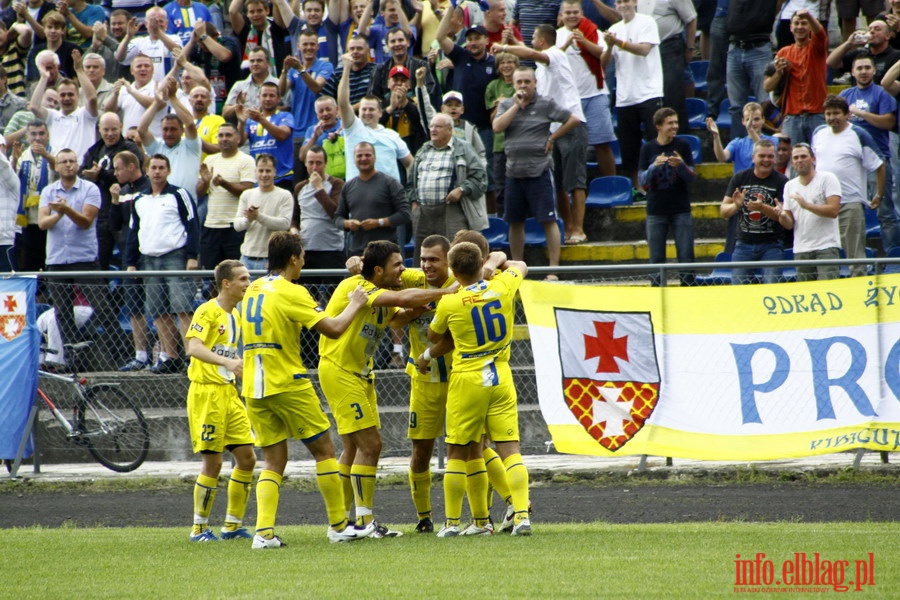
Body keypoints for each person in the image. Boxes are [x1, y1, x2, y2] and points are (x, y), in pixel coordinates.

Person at [240, 231, 375, 548]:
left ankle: (264, 533)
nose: (304, 262)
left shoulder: (254, 289)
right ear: (292, 258)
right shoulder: (292, 291)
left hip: (252, 386)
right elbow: (334, 328)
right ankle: (339, 525)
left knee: (273, 461)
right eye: (302, 256)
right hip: (286, 381)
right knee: (325, 451)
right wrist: (355, 302)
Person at [318, 239, 454, 539]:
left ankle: (340, 524)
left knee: (354, 448)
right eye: (397, 265)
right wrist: (445, 293)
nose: (403, 269)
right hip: (341, 371)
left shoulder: (381, 292)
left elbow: (396, 317)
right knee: (371, 446)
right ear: (378, 270)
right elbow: (403, 297)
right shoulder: (358, 287)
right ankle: (362, 523)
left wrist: (423, 307)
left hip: (360, 374)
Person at [419, 241, 531, 537]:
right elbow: (521, 265)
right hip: (501, 375)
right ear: (481, 263)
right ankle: (521, 515)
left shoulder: (451, 301)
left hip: (468, 377)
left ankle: (452, 523)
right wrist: (495, 265)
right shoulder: (503, 287)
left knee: (458, 450)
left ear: (453, 270)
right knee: (510, 450)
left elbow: (433, 334)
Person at [494, 24, 589, 245]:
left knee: (574, 181)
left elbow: (528, 53)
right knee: (557, 183)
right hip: (553, 128)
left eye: (533, 37)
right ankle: (569, 227)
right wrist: (512, 42)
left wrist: (502, 47)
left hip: (571, 125)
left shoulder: (554, 54)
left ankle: (580, 229)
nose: (530, 41)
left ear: (542, 41)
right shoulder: (541, 66)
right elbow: (527, 51)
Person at [184, 259, 256, 542]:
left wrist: (236, 365)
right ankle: (199, 529)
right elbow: (194, 347)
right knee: (212, 464)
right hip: (207, 394)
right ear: (226, 283)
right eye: (242, 279)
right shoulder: (207, 311)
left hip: (229, 393)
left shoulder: (235, 316)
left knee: (247, 458)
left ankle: (232, 525)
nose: (247, 284)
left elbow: (228, 354)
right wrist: (228, 361)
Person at [492, 66, 579, 278]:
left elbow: (573, 119)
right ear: (513, 84)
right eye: (519, 82)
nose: (523, 85)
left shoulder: (545, 103)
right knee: (514, 222)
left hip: (540, 171)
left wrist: (552, 138)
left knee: (548, 220)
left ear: (535, 83)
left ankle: (553, 269)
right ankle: (516, 268)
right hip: (513, 172)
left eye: (527, 82)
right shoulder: (506, 104)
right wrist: (516, 105)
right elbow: (497, 127)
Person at [38, 149, 117, 367]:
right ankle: (73, 360)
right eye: (63, 161)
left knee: (102, 307)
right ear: (57, 166)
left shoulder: (90, 188)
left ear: (77, 165)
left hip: (84, 257)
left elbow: (85, 222)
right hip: (56, 259)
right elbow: (43, 223)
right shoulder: (48, 191)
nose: (68, 165)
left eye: (72, 161)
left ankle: (120, 355)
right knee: (63, 312)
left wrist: (65, 209)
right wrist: (60, 213)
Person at [124, 154, 200, 374]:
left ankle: (192, 359)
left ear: (168, 171)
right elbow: (133, 232)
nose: (157, 171)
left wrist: (192, 256)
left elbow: (193, 225)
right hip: (148, 259)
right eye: (153, 167)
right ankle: (172, 357)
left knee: (183, 308)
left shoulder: (179, 194)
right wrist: (130, 262)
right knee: (158, 312)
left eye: (161, 168)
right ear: (147, 170)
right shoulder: (139, 200)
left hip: (175, 257)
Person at [811, 95, 884, 277]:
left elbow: (879, 164)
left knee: (854, 256)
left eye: (836, 113)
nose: (831, 117)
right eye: (828, 113)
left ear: (847, 115)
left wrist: (878, 194)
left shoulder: (858, 134)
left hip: (850, 202)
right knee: (827, 254)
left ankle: (859, 294)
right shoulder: (818, 133)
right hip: (823, 204)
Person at [407, 113, 487, 261]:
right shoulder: (423, 150)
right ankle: (421, 285)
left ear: (450, 130)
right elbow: (411, 182)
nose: (433, 129)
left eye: (438, 126)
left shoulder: (464, 148)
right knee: (422, 255)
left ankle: (457, 284)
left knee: (454, 253)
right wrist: (414, 202)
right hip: (423, 211)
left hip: (452, 209)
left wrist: (462, 189)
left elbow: (480, 177)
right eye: (431, 126)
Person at [601, 0, 663, 188]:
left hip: (649, 92)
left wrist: (617, 42)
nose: (622, 5)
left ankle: (660, 183)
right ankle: (638, 188)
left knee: (656, 142)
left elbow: (644, 50)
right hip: (624, 97)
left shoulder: (647, 22)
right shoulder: (614, 28)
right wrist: (610, 46)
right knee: (629, 148)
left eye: (626, 1)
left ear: (634, 2)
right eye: (618, 2)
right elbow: (604, 63)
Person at [557, 0, 617, 179]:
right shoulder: (556, 35)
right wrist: (568, 43)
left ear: (582, 13)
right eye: (568, 13)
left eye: (575, 12)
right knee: (569, 146)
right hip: (568, 100)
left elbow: (604, 58)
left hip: (595, 94)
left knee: (602, 143)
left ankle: (611, 184)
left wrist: (583, 41)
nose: (572, 16)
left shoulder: (593, 31)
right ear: (561, 16)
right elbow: (551, 59)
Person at [638, 107, 697, 287]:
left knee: (686, 256)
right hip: (656, 210)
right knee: (656, 258)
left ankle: (688, 293)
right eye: (670, 123)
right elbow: (641, 180)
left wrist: (681, 165)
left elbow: (692, 177)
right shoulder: (648, 148)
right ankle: (658, 294)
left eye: (676, 122)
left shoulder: (683, 146)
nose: (675, 126)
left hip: (681, 209)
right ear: (658, 126)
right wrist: (653, 167)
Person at [719, 140, 789, 284]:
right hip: (743, 244)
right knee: (739, 291)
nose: (766, 160)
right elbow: (723, 211)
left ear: (775, 158)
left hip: (772, 245)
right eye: (762, 156)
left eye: (770, 156)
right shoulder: (739, 178)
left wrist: (763, 208)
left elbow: (782, 217)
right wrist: (736, 206)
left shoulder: (782, 181)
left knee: (772, 290)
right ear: (753, 157)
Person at [79, 112, 142, 270]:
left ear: (121, 127)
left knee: (129, 258)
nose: (110, 134)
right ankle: (104, 294)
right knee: (101, 261)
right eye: (106, 129)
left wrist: (101, 175)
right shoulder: (95, 149)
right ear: (99, 129)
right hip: (101, 213)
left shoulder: (129, 148)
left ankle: (128, 293)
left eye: (114, 129)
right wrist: (90, 176)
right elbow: (82, 173)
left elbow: (130, 177)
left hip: (124, 213)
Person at [109, 150, 152, 372]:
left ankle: (163, 354)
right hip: (128, 254)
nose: (115, 173)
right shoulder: (123, 191)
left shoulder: (149, 188)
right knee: (134, 305)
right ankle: (140, 355)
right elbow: (114, 225)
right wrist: (115, 201)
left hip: (149, 252)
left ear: (131, 167)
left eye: (118, 168)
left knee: (157, 304)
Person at [777, 143, 842, 281]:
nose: (799, 160)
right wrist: (781, 216)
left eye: (803, 156)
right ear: (792, 162)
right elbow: (789, 224)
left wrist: (806, 205)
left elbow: (833, 210)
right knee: (806, 297)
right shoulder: (789, 185)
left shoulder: (828, 178)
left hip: (826, 246)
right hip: (801, 249)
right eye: (795, 158)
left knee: (828, 292)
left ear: (813, 159)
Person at [197, 122, 257, 270]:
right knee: (212, 275)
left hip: (234, 227)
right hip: (211, 225)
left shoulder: (246, 160)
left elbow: (246, 191)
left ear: (238, 138)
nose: (224, 139)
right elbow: (199, 193)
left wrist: (224, 183)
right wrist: (205, 182)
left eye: (228, 135)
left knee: (235, 272)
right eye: (221, 135)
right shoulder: (210, 160)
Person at [334, 141, 410, 257]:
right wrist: (347, 223)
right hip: (357, 251)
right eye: (359, 155)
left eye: (368, 155)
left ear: (374, 157)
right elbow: (338, 218)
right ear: (354, 158)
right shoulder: (348, 186)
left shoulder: (390, 183)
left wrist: (378, 222)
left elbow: (405, 214)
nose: (363, 158)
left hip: (386, 250)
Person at [764, 10, 827, 145]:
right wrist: (779, 73)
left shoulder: (816, 47)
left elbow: (820, 34)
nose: (800, 27)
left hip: (816, 114)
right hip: (792, 116)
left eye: (804, 23)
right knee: (794, 159)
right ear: (791, 27)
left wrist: (809, 15)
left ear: (810, 26)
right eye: (796, 23)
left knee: (819, 157)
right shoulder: (783, 52)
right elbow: (767, 87)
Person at [31, 49, 98, 166]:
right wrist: (44, 78)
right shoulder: (53, 115)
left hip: (82, 169)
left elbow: (92, 98)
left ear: (78, 96)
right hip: (57, 169)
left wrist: (79, 70)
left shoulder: (85, 114)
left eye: (71, 94)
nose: (66, 98)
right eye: (62, 95)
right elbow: (34, 107)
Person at [724, 0, 777, 136]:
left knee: (764, 104)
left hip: (759, 46)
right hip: (734, 46)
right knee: (736, 107)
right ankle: (737, 147)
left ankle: (765, 148)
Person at [233, 153, 293, 271]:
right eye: (261, 171)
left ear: (274, 172)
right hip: (246, 256)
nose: (264, 175)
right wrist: (248, 219)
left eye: (268, 171)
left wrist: (259, 216)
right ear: (255, 172)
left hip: (270, 258)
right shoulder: (247, 194)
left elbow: (285, 223)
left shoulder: (285, 195)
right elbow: (237, 225)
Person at [292, 144, 345, 270]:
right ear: (305, 163)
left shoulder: (337, 184)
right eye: (311, 163)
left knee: (333, 289)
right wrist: (294, 231)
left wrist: (319, 188)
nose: (314, 167)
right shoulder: (300, 187)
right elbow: (295, 218)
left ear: (325, 163)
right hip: (306, 249)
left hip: (331, 249)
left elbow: (335, 213)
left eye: (318, 163)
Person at [236, 82, 295, 190]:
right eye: (264, 95)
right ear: (259, 97)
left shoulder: (285, 116)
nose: (268, 99)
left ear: (278, 98)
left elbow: (282, 135)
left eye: (272, 95)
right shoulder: (250, 121)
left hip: (282, 177)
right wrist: (241, 123)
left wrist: (261, 120)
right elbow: (239, 142)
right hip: (259, 179)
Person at [12, 120, 53, 273]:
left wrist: (47, 156)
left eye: (41, 133)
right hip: (27, 218)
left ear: (48, 135)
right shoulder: (23, 156)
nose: (37, 138)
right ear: (27, 136)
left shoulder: (54, 152)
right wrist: (15, 160)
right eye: (33, 134)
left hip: (49, 216)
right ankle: (36, 295)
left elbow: (59, 171)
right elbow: (13, 180)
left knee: (47, 259)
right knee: (29, 261)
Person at [115, 8, 183, 83]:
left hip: (169, 89)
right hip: (144, 91)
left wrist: (158, 32)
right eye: (152, 22)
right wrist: (128, 36)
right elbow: (119, 58)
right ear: (146, 24)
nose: (156, 24)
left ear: (166, 23)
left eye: (160, 21)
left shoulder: (174, 38)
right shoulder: (139, 42)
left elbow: (179, 53)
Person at [222, 46, 280, 120]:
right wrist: (238, 105)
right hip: (244, 128)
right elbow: (225, 114)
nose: (255, 64)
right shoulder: (239, 86)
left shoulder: (278, 84)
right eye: (252, 61)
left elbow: (288, 107)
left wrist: (266, 109)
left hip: (271, 127)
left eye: (259, 60)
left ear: (268, 62)